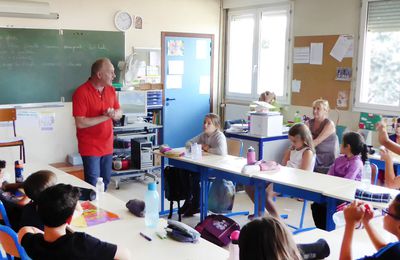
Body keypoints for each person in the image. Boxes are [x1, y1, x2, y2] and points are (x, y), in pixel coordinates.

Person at [18, 184, 131, 260]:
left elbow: (25, 230)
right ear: (70, 219)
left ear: (38, 210)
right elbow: (125, 255)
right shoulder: (81, 244)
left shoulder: (31, 243)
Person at [245, 123, 315, 218]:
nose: (292, 144)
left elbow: (303, 174)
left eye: (294, 141)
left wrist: (285, 174)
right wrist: (288, 152)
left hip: (296, 182)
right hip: (285, 176)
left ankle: (277, 219)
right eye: (291, 141)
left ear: (304, 139)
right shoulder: (294, 149)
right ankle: (261, 213)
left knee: (266, 194)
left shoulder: (307, 152)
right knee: (250, 185)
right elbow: (284, 164)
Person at [72, 58, 122, 189]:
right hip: (90, 148)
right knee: (93, 185)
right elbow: (80, 123)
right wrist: (106, 117)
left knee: (105, 183)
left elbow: (119, 111)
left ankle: (103, 209)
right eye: (111, 72)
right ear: (99, 75)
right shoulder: (81, 92)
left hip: (107, 145)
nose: (114, 75)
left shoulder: (110, 90)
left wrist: (115, 114)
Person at [311, 132, 368, 229]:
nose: (340, 145)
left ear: (348, 146)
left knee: (324, 207)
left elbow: (347, 182)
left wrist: (332, 185)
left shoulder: (356, 163)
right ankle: (323, 229)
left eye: (342, 143)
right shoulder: (339, 159)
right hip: (332, 190)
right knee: (316, 205)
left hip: (346, 196)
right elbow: (330, 175)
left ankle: (327, 230)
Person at [180, 113, 228, 216]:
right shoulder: (204, 135)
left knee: (195, 177)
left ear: (216, 126)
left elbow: (221, 152)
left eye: (209, 123)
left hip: (216, 168)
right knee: (183, 170)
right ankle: (188, 200)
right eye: (204, 122)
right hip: (205, 165)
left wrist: (207, 149)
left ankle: (195, 204)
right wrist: (200, 145)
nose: (205, 125)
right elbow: (188, 143)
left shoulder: (219, 136)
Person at [306, 99, 339, 174]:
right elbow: (303, 139)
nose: (314, 111)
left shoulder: (329, 124)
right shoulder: (309, 123)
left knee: (301, 157)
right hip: (312, 154)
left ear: (325, 110)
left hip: (324, 159)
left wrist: (301, 149)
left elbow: (316, 142)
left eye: (318, 109)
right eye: (314, 108)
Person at [376, 121, 400, 189]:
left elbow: (391, 184)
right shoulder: (392, 137)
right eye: (397, 126)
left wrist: (388, 160)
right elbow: (384, 141)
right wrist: (382, 129)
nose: (398, 129)